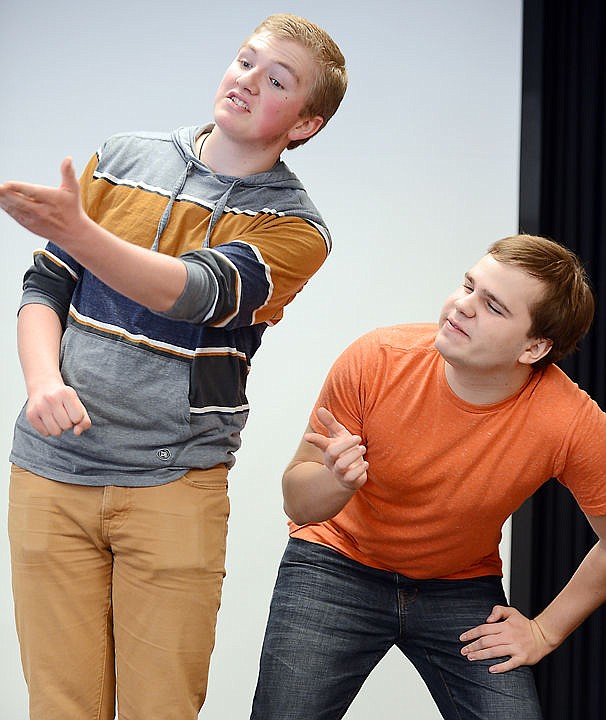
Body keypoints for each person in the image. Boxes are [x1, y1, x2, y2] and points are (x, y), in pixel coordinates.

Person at [0, 13, 347, 720]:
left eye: (276, 79)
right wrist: (43, 381)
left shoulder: (295, 229)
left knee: (162, 707)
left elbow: (191, 293)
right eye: (246, 61)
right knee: (61, 707)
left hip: (173, 484)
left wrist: (79, 230)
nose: (248, 81)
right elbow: (45, 288)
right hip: (50, 471)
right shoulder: (124, 157)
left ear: (305, 125)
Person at [249, 234, 606, 720]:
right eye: (467, 286)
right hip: (336, 564)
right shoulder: (377, 359)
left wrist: (545, 631)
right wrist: (337, 480)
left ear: (534, 346)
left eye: (493, 306)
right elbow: (298, 503)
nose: (461, 307)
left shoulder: (570, 420)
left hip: (457, 585)